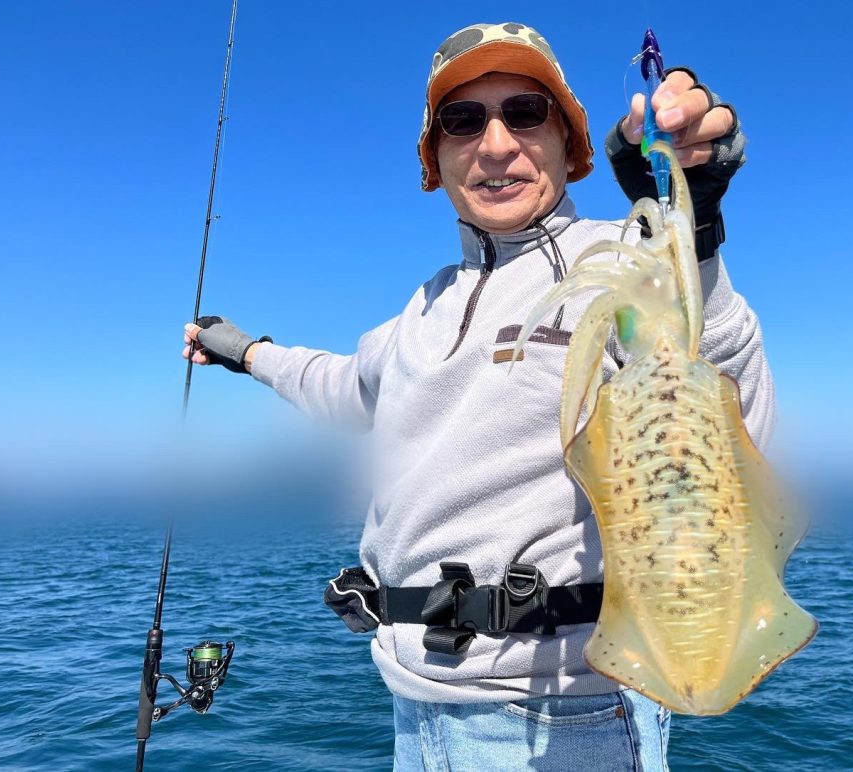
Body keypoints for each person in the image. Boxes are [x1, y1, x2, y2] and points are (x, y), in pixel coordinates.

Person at [183, 22, 774, 771]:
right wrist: (245, 352)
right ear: (434, 159)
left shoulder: (621, 261)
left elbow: (721, 403)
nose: (496, 145)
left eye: (526, 113)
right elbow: (340, 385)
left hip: (565, 715)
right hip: (414, 706)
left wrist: (695, 233)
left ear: (569, 144)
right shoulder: (422, 309)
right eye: (463, 120)